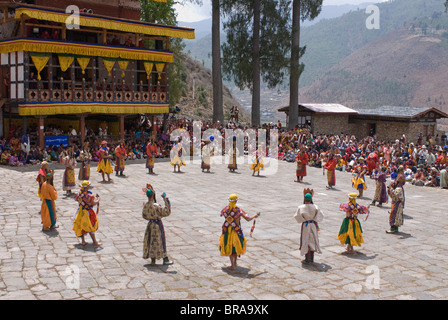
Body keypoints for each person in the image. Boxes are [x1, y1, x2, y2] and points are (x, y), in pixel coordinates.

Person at [219, 194, 259, 270]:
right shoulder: (239, 211)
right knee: (236, 246)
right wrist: (255, 215)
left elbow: (221, 214)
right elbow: (248, 218)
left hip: (227, 231)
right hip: (236, 231)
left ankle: (233, 264)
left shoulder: (225, 210)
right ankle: (234, 265)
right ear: (236, 201)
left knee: (230, 247)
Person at [142, 184, 173, 266]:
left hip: (150, 225)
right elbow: (167, 212)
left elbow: (144, 215)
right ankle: (165, 259)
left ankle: (153, 260)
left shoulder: (146, 205)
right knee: (161, 241)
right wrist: (166, 200)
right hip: (157, 225)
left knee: (151, 241)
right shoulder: (156, 206)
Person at [294, 189, 324, 264]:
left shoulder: (301, 207)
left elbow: (297, 216)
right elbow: (320, 215)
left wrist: (303, 219)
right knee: (312, 240)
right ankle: (312, 258)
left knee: (306, 240)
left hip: (306, 225)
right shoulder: (315, 207)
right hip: (313, 225)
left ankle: (307, 259)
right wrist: (314, 219)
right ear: (311, 199)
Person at [72, 180, 102, 246]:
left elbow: (76, 198)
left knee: (81, 225)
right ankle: (94, 241)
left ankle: (83, 241)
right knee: (90, 225)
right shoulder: (88, 196)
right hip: (87, 212)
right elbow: (93, 203)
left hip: (80, 211)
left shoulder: (78, 194)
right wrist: (98, 199)